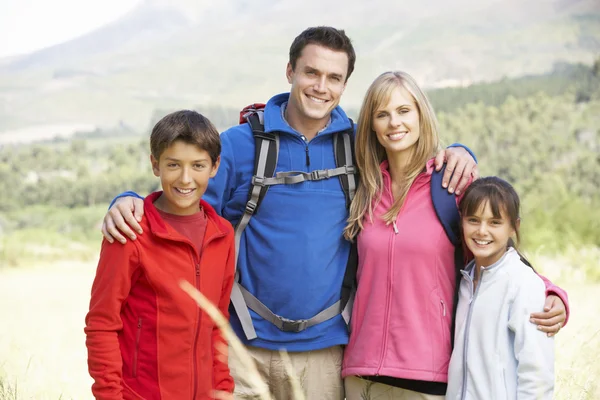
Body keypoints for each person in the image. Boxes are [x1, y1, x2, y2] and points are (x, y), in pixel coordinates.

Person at [101, 27, 477, 400]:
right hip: (243, 347)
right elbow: (183, 199)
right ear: (290, 72)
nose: (320, 86)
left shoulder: (361, 145)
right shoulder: (240, 143)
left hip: (325, 354)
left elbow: (410, 153)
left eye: (334, 78)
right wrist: (129, 198)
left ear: (344, 85)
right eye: (311, 73)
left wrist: (461, 152)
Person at [341, 71, 567, 400]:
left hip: (426, 377)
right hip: (361, 374)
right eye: (382, 114)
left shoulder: (449, 185)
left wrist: (550, 291)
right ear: (372, 125)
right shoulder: (365, 189)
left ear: (421, 115)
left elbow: (494, 245)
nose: (394, 123)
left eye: (404, 111)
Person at [85, 110, 235, 399]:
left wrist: (223, 390)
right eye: (174, 164)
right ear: (155, 165)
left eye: (198, 165)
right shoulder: (130, 232)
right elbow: (101, 324)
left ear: (215, 167)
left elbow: (218, 324)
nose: (186, 178)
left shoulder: (223, 234)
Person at [445, 176, 554, 400]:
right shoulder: (464, 280)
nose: (482, 231)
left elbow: (537, 373)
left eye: (495, 222)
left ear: (514, 226)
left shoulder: (523, 283)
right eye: (473, 220)